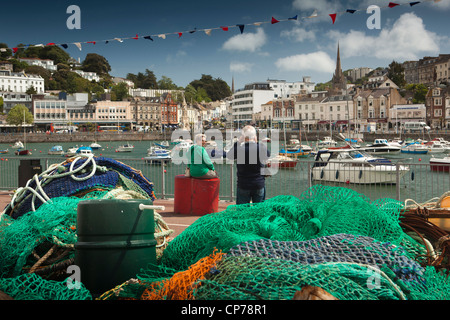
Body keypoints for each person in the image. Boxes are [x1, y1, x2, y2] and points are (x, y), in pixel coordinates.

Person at [226, 125, 270, 205]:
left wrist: (238, 142)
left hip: (243, 184)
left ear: (243, 137)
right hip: (258, 183)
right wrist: (257, 142)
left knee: (242, 211)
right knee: (259, 210)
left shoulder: (239, 148)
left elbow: (229, 155)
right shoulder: (261, 147)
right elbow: (267, 154)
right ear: (254, 136)